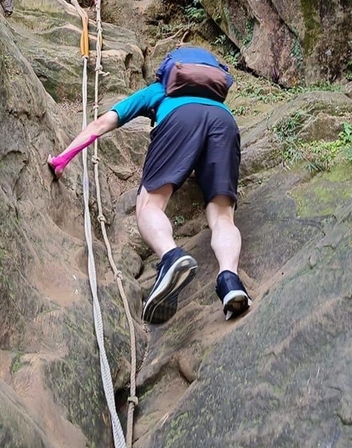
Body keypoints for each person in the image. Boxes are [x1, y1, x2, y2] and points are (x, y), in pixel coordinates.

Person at [47, 47, 251, 324]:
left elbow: (102, 123)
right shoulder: (218, 102)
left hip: (180, 120)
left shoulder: (159, 91)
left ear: (169, 71)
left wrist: (62, 159)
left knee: (149, 205)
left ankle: (170, 257)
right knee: (222, 215)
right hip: (224, 124)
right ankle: (230, 281)